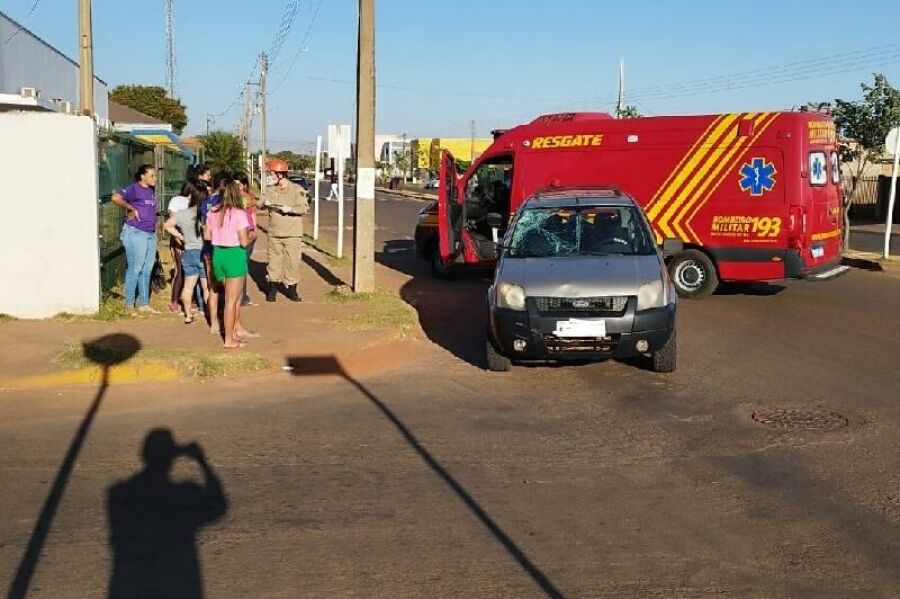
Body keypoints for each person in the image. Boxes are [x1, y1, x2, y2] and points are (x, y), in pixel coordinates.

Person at [106, 429, 226, 599]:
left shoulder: (119, 495)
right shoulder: (183, 496)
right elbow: (218, 506)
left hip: (130, 587)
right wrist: (201, 461)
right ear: (171, 459)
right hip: (177, 587)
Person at [205, 181, 254, 348]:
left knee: (232, 297)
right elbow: (244, 241)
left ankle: (233, 332)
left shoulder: (213, 212)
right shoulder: (239, 214)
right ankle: (229, 339)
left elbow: (207, 236)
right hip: (234, 255)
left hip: (218, 253)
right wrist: (253, 236)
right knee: (232, 301)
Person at [111, 165, 160, 314]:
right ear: (142, 176)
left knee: (147, 268)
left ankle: (144, 304)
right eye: (151, 175)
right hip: (135, 232)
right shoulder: (134, 188)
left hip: (150, 233)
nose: (154, 178)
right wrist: (130, 208)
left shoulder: (151, 190)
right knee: (135, 268)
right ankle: (129, 304)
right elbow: (115, 197)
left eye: (155, 175)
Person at [261, 158, 309, 302]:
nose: (271, 176)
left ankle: (292, 289)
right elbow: (260, 203)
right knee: (273, 261)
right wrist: (264, 202)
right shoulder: (270, 189)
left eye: (273, 173)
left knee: (292, 262)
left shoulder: (296, 190)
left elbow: (304, 208)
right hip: (274, 232)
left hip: (292, 234)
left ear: (280, 174)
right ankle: (272, 288)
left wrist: (291, 209)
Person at [163, 184, 209, 323]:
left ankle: (188, 315)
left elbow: (166, 225)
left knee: (188, 286)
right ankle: (210, 314)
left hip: (188, 251)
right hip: (203, 251)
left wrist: (180, 236)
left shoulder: (182, 214)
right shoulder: (206, 214)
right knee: (206, 286)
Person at [165, 181, 195, 313]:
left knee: (192, 271)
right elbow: (172, 219)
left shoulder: (196, 202)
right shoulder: (177, 200)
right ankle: (174, 301)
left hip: (192, 240)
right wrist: (177, 237)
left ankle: (189, 300)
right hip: (180, 238)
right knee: (180, 270)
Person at [234, 172, 258, 307]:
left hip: (248, 232)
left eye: (239, 184)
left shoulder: (249, 198)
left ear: (244, 185)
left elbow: (253, 214)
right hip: (235, 233)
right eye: (235, 184)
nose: (237, 187)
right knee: (239, 265)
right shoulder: (230, 198)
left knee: (243, 264)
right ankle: (240, 294)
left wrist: (254, 230)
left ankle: (242, 294)